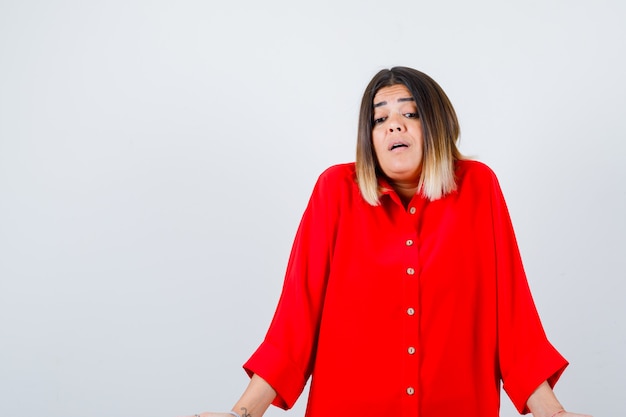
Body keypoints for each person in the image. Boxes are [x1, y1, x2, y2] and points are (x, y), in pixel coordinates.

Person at [186, 67, 592, 417]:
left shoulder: (478, 187)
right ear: (370, 138)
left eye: (410, 113)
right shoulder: (334, 191)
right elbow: (295, 322)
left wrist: (552, 412)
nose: (393, 125)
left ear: (437, 125)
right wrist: (242, 413)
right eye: (379, 120)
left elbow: (514, 320)